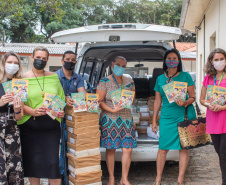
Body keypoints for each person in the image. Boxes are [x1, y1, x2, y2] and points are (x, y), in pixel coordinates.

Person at [17, 46, 65, 185]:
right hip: (30, 127)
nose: (41, 60)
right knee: (33, 164)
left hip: (51, 128)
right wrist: (31, 111)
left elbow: (60, 99)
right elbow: (18, 102)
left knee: (52, 163)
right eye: (38, 57)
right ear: (32, 58)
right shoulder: (22, 78)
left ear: (47, 60)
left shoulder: (54, 77)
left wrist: (60, 111)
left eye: (44, 58)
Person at [152, 49, 196, 185]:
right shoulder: (160, 79)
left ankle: (180, 179)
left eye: (175, 58)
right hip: (166, 117)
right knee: (162, 148)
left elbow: (193, 97)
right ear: (165, 61)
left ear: (179, 60)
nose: (172, 60)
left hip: (182, 116)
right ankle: (158, 178)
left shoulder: (186, 76)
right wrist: (154, 120)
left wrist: (185, 102)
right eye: (169, 58)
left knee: (183, 148)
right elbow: (157, 101)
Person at [97, 56, 137, 185]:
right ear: (112, 64)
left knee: (128, 149)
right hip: (110, 118)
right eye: (118, 64)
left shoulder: (129, 80)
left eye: (124, 66)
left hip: (126, 118)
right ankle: (111, 177)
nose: (121, 67)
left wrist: (128, 99)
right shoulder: (104, 81)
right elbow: (99, 102)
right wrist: (112, 110)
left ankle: (124, 178)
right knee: (111, 149)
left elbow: (132, 99)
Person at [56, 50, 86, 184]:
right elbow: (50, 96)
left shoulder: (78, 78)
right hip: (58, 116)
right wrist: (64, 99)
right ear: (62, 61)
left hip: (74, 118)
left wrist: (88, 99)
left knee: (71, 144)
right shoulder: (55, 76)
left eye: (73, 60)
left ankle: (73, 172)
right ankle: (62, 175)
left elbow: (82, 94)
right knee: (63, 145)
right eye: (68, 59)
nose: (71, 62)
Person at [200, 48, 226, 185]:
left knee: (223, 152)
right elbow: (202, 99)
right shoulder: (208, 78)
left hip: (225, 118)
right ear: (211, 61)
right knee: (219, 152)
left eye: (222, 59)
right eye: (216, 59)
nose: (219, 62)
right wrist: (209, 105)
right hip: (213, 120)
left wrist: (222, 107)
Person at [0, 51, 24, 185]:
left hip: (12, 129)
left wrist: (17, 110)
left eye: (16, 63)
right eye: (9, 62)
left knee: (14, 167)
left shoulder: (20, 85)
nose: (12, 65)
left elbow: (20, 117)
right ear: (3, 64)